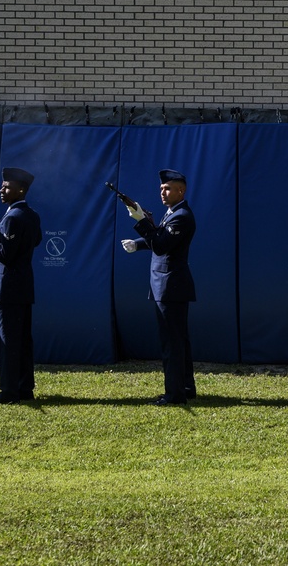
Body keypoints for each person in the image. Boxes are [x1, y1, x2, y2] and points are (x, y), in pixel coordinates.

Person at [121, 169, 196, 406]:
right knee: (178, 340)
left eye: (168, 188)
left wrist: (140, 220)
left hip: (171, 285)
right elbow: (160, 238)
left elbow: (162, 245)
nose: (162, 192)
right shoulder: (172, 212)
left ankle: (175, 395)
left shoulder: (181, 216)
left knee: (172, 343)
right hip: (168, 284)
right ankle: (185, 386)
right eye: (161, 188)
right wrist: (138, 243)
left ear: (180, 190)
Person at [0, 167, 42, 404]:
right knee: (22, 341)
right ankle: (25, 389)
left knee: (7, 341)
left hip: (7, 288)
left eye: (6, 186)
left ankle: (9, 392)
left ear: (20, 189)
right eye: (2, 185)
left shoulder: (12, 216)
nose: (1, 190)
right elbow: (35, 240)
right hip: (23, 287)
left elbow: (4, 254)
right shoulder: (30, 214)